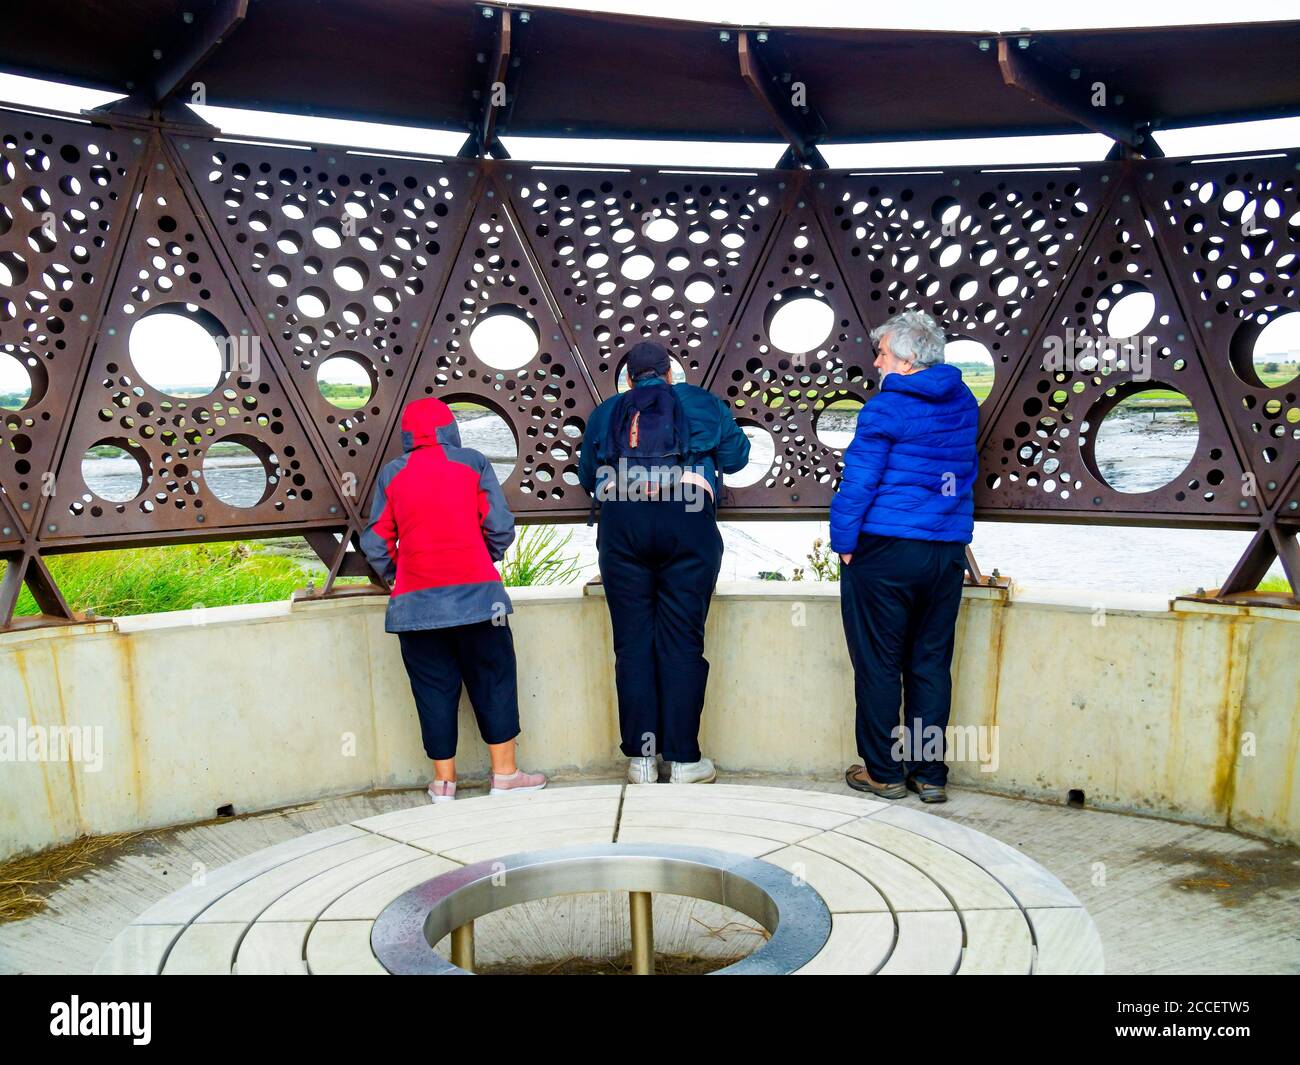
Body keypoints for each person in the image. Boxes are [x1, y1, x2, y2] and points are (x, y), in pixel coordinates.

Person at [579, 341, 750, 785]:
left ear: (630, 379)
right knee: (683, 644)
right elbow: (738, 457)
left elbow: (585, 477)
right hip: (688, 518)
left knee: (632, 645)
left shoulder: (607, 412)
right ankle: (684, 761)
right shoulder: (702, 403)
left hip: (622, 521)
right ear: (670, 374)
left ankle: (641, 759)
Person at [362, 396, 546, 804]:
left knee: (433, 690)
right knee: (494, 681)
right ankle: (505, 776)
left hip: (415, 608)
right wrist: (484, 556)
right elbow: (499, 524)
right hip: (481, 601)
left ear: (407, 435)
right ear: (451, 429)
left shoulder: (393, 472)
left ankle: (444, 784)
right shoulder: (473, 462)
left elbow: (375, 540)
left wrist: (397, 575)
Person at [830, 310, 978, 804]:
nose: (876, 362)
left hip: (886, 550)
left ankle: (884, 771)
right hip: (945, 552)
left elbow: (859, 482)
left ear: (908, 360)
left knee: (878, 664)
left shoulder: (885, 408)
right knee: (930, 663)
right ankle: (929, 774)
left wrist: (844, 542)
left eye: (883, 353)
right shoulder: (963, 401)